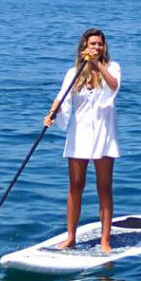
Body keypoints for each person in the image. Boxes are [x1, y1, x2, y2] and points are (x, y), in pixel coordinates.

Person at [43, 28, 121, 253]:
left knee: (104, 187)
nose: (97, 47)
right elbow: (62, 96)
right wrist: (51, 114)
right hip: (79, 134)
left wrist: (97, 65)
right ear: (84, 47)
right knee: (75, 186)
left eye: (100, 44)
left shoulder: (112, 68)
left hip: (104, 134)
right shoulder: (74, 72)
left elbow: (114, 86)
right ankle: (70, 237)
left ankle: (105, 240)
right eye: (92, 44)